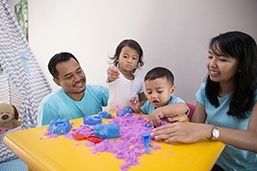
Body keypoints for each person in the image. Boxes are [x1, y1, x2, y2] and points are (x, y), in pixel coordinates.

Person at [151, 31, 257, 170]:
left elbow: (254, 140)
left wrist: (210, 131)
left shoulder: (254, 93)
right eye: (210, 56)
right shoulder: (206, 88)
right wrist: (183, 122)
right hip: (210, 159)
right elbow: (196, 124)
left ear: (242, 65)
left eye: (222, 59)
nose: (212, 64)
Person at [38, 52, 108, 126]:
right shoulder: (50, 105)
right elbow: (44, 135)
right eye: (69, 77)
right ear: (57, 82)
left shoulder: (99, 92)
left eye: (79, 72)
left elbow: (120, 103)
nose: (78, 78)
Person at [106, 39, 145, 110]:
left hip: (130, 116)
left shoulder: (139, 81)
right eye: (125, 57)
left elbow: (144, 98)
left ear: (138, 62)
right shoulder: (116, 75)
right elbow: (111, 77)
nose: (129, 61)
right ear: (117, 58)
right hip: (112, 115)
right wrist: (111, 72)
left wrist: (138, 106)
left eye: (134, 58)